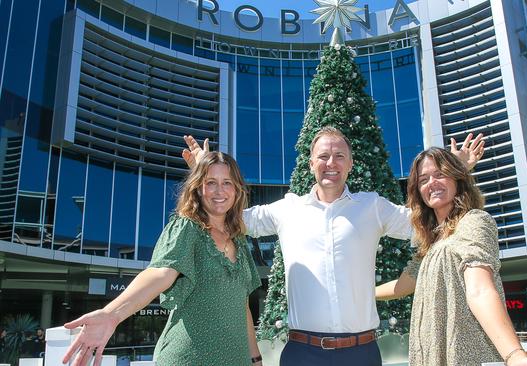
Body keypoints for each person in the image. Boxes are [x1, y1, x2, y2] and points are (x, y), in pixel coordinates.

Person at [182, 128, 484, 366]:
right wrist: (203, 176)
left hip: (362, 354)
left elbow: (432, 222)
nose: (331, 163)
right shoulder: (286, 210)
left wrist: (457, 174)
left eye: (340, 156)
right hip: (302, 355)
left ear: (350, 164)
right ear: (311, 163)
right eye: (323, 156)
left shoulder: (372, 207)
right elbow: (224, 218)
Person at [62, 152, 263, 366]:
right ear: (198, 188)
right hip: (189, 359)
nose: (219, 191)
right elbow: (160, 273)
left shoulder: (240, 240)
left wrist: (255, 358)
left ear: (237, 189)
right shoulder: (187, 227)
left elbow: (242, 307)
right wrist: (112, 314)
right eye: (210, 182)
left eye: (227, 183)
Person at [375, 147, 527, 366]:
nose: (431, 183)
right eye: (424, 180)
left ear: (458, 179)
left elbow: (480, 289)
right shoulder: (431, 241)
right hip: (431, 355)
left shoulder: (473, 222)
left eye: (440, 174)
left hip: (464, 355)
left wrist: (515, 356)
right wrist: (363, 295)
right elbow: (403, 285)